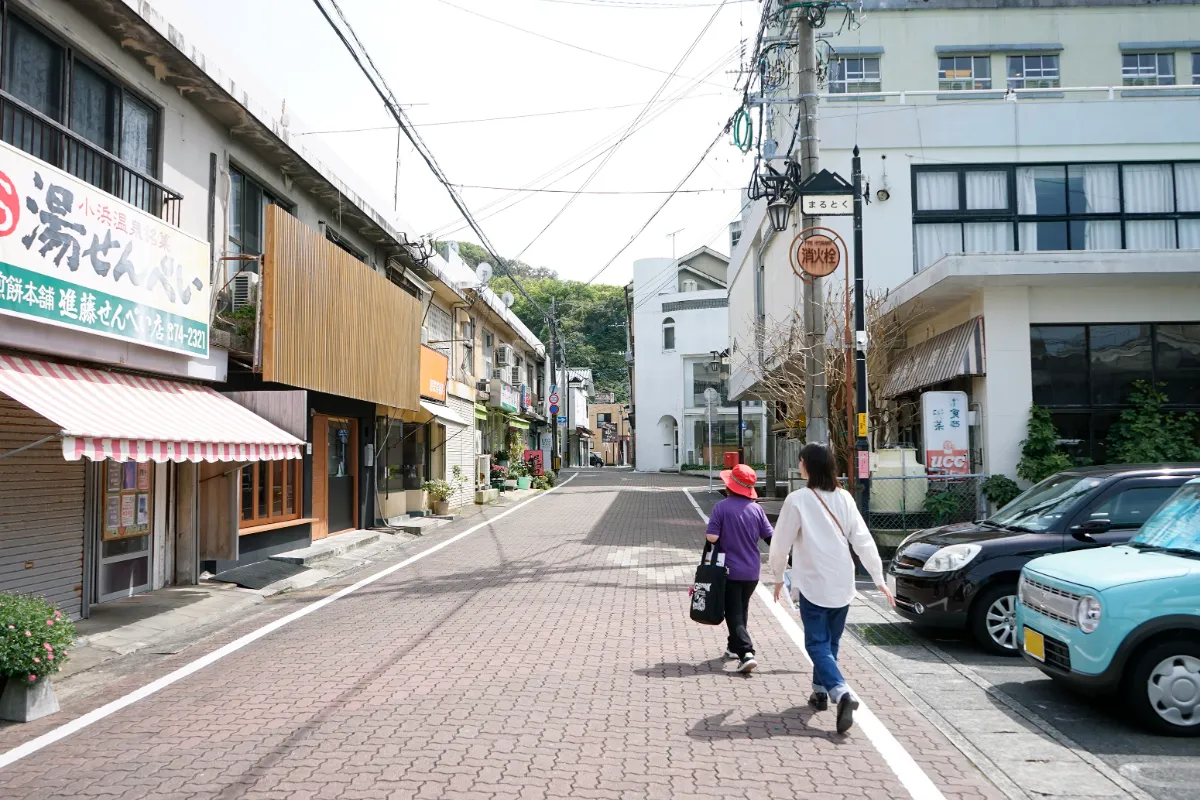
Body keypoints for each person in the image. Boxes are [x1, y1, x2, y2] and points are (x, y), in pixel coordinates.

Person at [767, 443, 894, 734]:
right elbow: (862, 540)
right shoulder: (845, 498)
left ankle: (841, 693)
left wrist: (777, 576)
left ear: (807, 466)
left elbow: (780, 543)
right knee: (830, 644)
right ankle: (819, 692)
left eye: (800, 461)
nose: (799, 465)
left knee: (815, 643)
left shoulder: (798, 499)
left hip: (814, 581)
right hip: (843, 580)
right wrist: (878, 578)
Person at [705, 463, 774, 674]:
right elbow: (771, 537)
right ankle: (733, 647)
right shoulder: (757, 509)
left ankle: (746, 652)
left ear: (729, 486)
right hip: (752, 571)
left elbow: (712, 537)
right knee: (741, 608)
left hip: (729, 571)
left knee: (732, 612)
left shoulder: (721, 508)